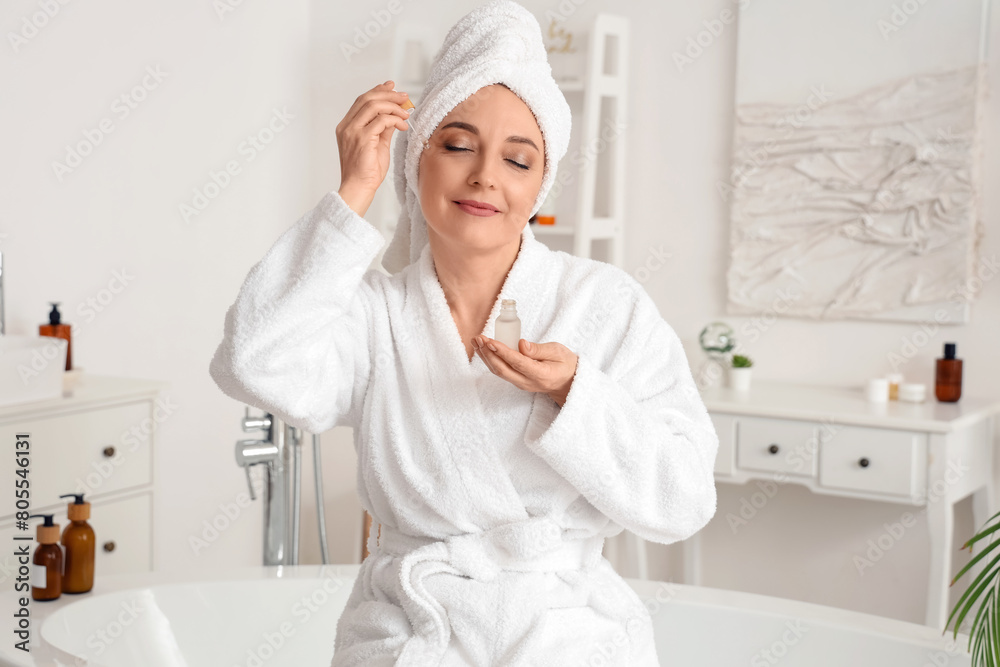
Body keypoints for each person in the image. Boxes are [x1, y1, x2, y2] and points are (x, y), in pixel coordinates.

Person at [209, 2, 718, 665]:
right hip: (414, 630)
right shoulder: (373, 315)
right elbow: (253, 361)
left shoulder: (605, 305)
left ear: (539, 185)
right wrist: (352, 192)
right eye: (456, 145)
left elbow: (684, 497)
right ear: (414, 159)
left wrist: (576, 391)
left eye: (518, 159)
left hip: (567, 636)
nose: (484, 176)